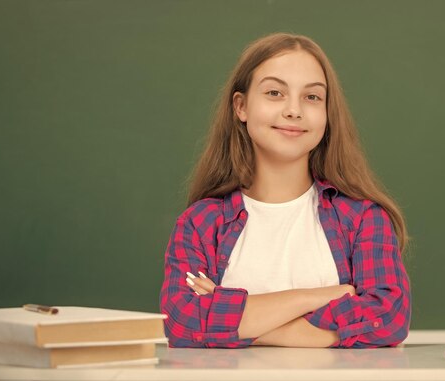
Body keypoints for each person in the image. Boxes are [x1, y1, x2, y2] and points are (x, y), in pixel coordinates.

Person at [160, 33, 410, 348]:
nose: (294, 110)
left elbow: (388, 320)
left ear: (327, 113)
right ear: (241, 106)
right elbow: (182, 322)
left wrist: (240, 324)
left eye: (312, 97)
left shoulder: (364, 219)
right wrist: (321, 296)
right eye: (275, 92)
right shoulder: (200, 223)